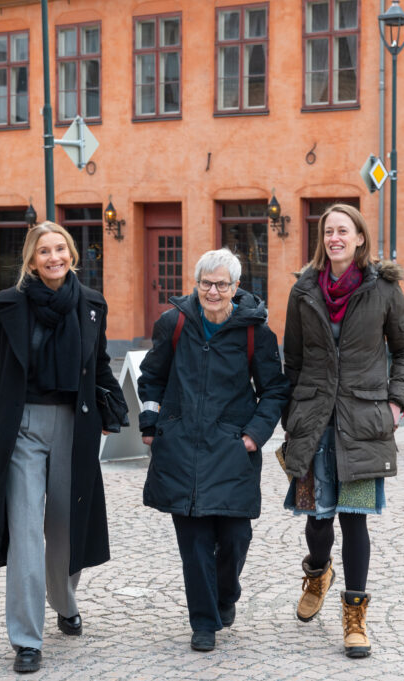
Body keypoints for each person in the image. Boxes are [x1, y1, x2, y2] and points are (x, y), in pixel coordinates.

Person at [0, 222, 126, 674]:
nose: (54, 257)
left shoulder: (91, 305)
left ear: (71, 254)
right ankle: (26, 638)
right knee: (26, 531)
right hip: (24, 427)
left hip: (76, 425)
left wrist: (116, 409)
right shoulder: (11, 305)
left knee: (67, 528)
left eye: (61, 249)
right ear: (31, 260)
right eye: (44, 252)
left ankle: (64, 602)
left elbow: (100, 365)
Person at [281, 204, 404, 658]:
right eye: (328, 231)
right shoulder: (303, 290)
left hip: (361, 422)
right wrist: (292, 417)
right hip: (314, 421)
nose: (335, 238)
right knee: (317, 519)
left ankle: (355, 618)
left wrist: (397, 402)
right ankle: (318, 571)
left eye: (344, 230)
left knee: (354, 519)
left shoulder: (384, 289)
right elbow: (293, 361)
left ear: (360, 238)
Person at [137, 248, 290, 653]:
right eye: (206, 283)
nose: (213, 291)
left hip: (232, 448)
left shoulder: (255, 332)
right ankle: (203, 621)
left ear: (236, 287)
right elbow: (151, 378)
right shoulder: (174, 323)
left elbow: (274, 389)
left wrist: (254, 435)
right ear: (196, 284)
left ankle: (225, 594)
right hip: (181, 449)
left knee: (236, 535)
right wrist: (151, 425)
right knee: (195, 542)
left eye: (222, 284)